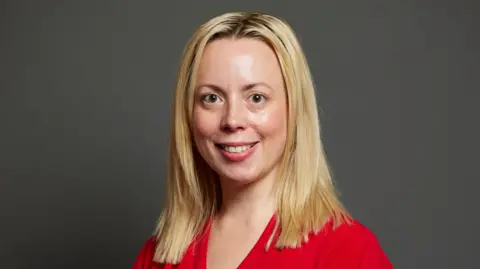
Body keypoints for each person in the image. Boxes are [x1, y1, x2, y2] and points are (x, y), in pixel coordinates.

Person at [133, 12, 393, 269]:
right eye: (211, 98)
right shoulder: (160, 256)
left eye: (256, 97)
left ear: (294, 110)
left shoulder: (348, 251)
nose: (232, 120)